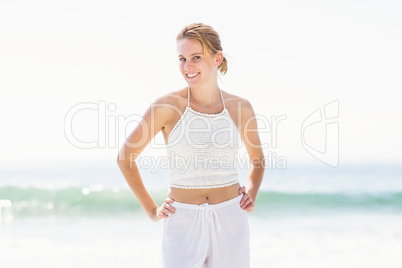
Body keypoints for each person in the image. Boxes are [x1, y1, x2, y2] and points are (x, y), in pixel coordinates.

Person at [117, 23, 265, 268]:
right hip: (182, 220)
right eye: (182, 58)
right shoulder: (166, 106)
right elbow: (125, 157)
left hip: (230, 219)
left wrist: (252, 193)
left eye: (196, 57)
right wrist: (152, 210)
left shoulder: (240, 107)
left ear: (217, 58)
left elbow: (257, 160)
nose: (187, 66)